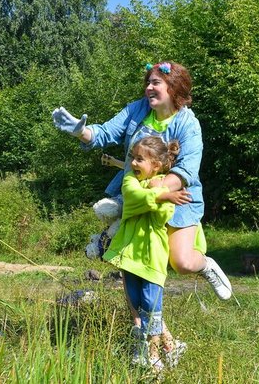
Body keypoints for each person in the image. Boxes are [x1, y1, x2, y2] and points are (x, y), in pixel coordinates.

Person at [51, 61, 232, 300]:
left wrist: (155, 191)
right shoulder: (137, 110)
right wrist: (81, 132)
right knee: (132, 263)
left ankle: (206, 266)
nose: (148, 87)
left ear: (173, 87)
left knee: (182, 262)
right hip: (136, 197)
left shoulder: (188, 124)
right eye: (148, 82)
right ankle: (144, 332)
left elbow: (185, 171)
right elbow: (105, 133)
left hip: (177, 199)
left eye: (155, 82)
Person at [102, 135, 188, 370]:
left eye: (140, 159)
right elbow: (132, 198)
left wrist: (162, 193)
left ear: (156, 165)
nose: (134, 163)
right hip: (129, 254)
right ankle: (168, 347)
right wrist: (161, 195)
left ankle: (152, 354)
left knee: (151, 305)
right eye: (133, 158)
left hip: (152, 255)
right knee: (136, 302)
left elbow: (163, 214)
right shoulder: (130, 180)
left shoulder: (164, 183)